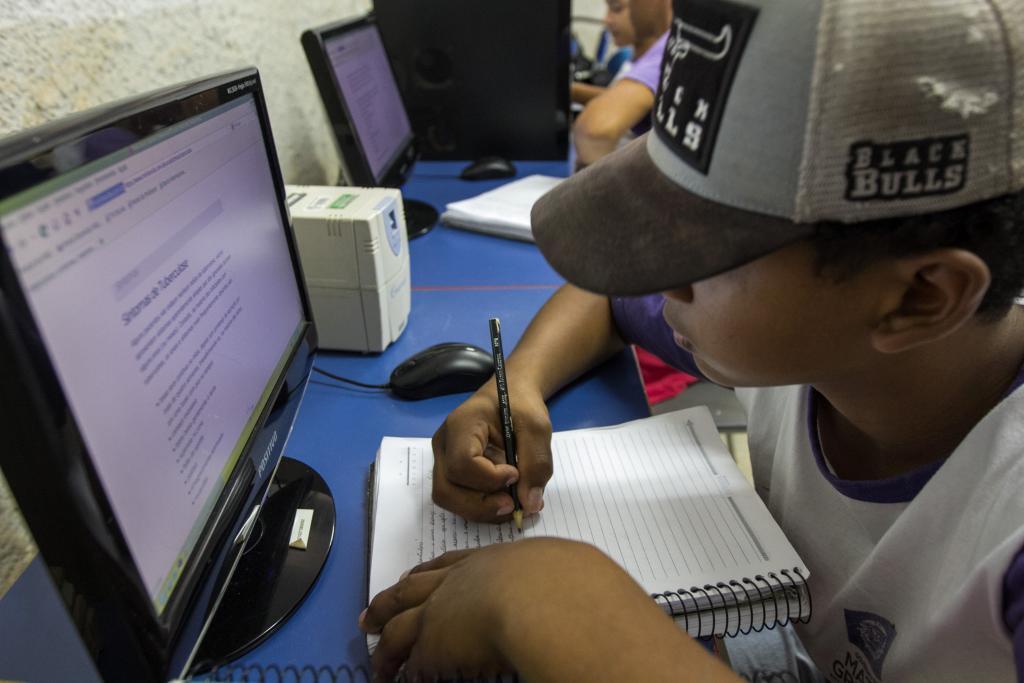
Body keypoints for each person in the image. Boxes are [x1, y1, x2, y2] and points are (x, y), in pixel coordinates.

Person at [361, 0, 1024, 681]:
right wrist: (517, 384)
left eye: (707, 249)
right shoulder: (828, 342)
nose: (660, 274)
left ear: (920, 297)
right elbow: (607, 298)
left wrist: (554, 596)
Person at [572, 0, 672, 168]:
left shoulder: (665, 52)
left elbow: (595, 130)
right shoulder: (642, 57)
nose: (607, 19)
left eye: (616, 8)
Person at [571, 0, 637, 107]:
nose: (606, 20)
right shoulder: (634, 59)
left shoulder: (653, 64)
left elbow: (622, 102)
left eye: (616, 8)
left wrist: (571, 91)